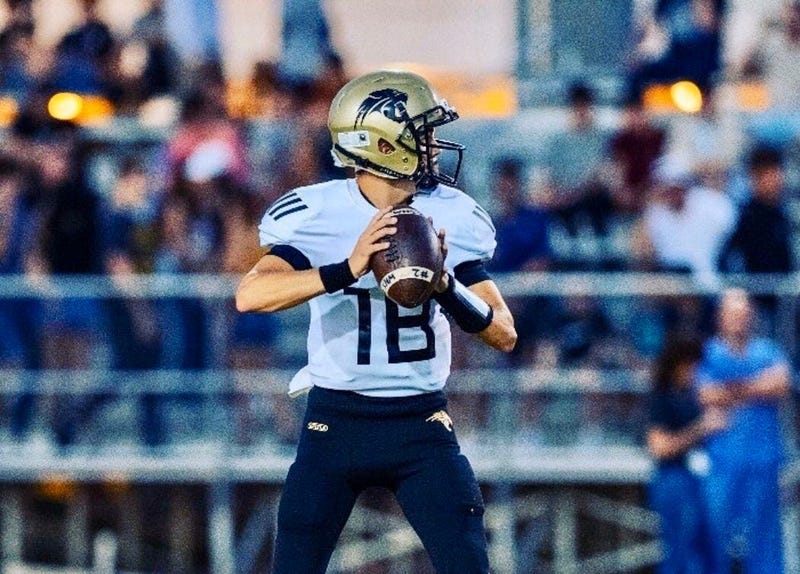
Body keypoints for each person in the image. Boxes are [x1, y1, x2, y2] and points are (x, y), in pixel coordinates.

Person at [235, 69, 517, 573]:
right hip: (335, 421)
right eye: (421, 133)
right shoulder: (319, 213)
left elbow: (504, 332)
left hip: (422, 422)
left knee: (469, 562)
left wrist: (446, 284)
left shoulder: (451, 213)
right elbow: (250, 295)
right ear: (385, 143)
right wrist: (346, 269)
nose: (433, 146)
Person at [696, 288, 790, 573]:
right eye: (733, 314)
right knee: (715, 536)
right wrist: (755, 387)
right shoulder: (709, 353)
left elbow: (780, 385)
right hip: (723, 463)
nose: (739, 319)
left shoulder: (768, 350)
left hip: (762, 461)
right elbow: (706, 394)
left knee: (765, 540)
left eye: (744, 313)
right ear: (720, 317)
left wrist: (731, 390)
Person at [646, 335, 725, 574]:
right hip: (674, 480)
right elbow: (659, 446)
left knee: (707, 550)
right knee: (679, 552)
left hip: (700, 480)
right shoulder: (663, 398)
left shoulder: (693, 396)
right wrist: (700, 428)